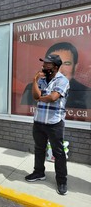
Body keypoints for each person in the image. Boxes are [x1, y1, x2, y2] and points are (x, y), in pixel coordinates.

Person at [25, 54, 69, 195]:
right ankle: (39, 172)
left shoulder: (62, 80)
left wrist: (41, 97)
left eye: (47, 64)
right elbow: (35, 96)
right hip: (39, 121)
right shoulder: (42, 80)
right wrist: (35, 80)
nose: (44, 66)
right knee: (39, 149)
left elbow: (53, 98)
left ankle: (61, 181)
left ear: (55, 67)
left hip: (54, 122)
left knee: (59, 153)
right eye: (44, 63)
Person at [21, 42, 91, 109]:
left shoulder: (85, 93)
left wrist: (39, 98)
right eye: (53, 64)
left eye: (66, 63)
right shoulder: (31, 87)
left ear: (75, 67)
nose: (59, 70)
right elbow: (24, 111)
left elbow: (52, 98)